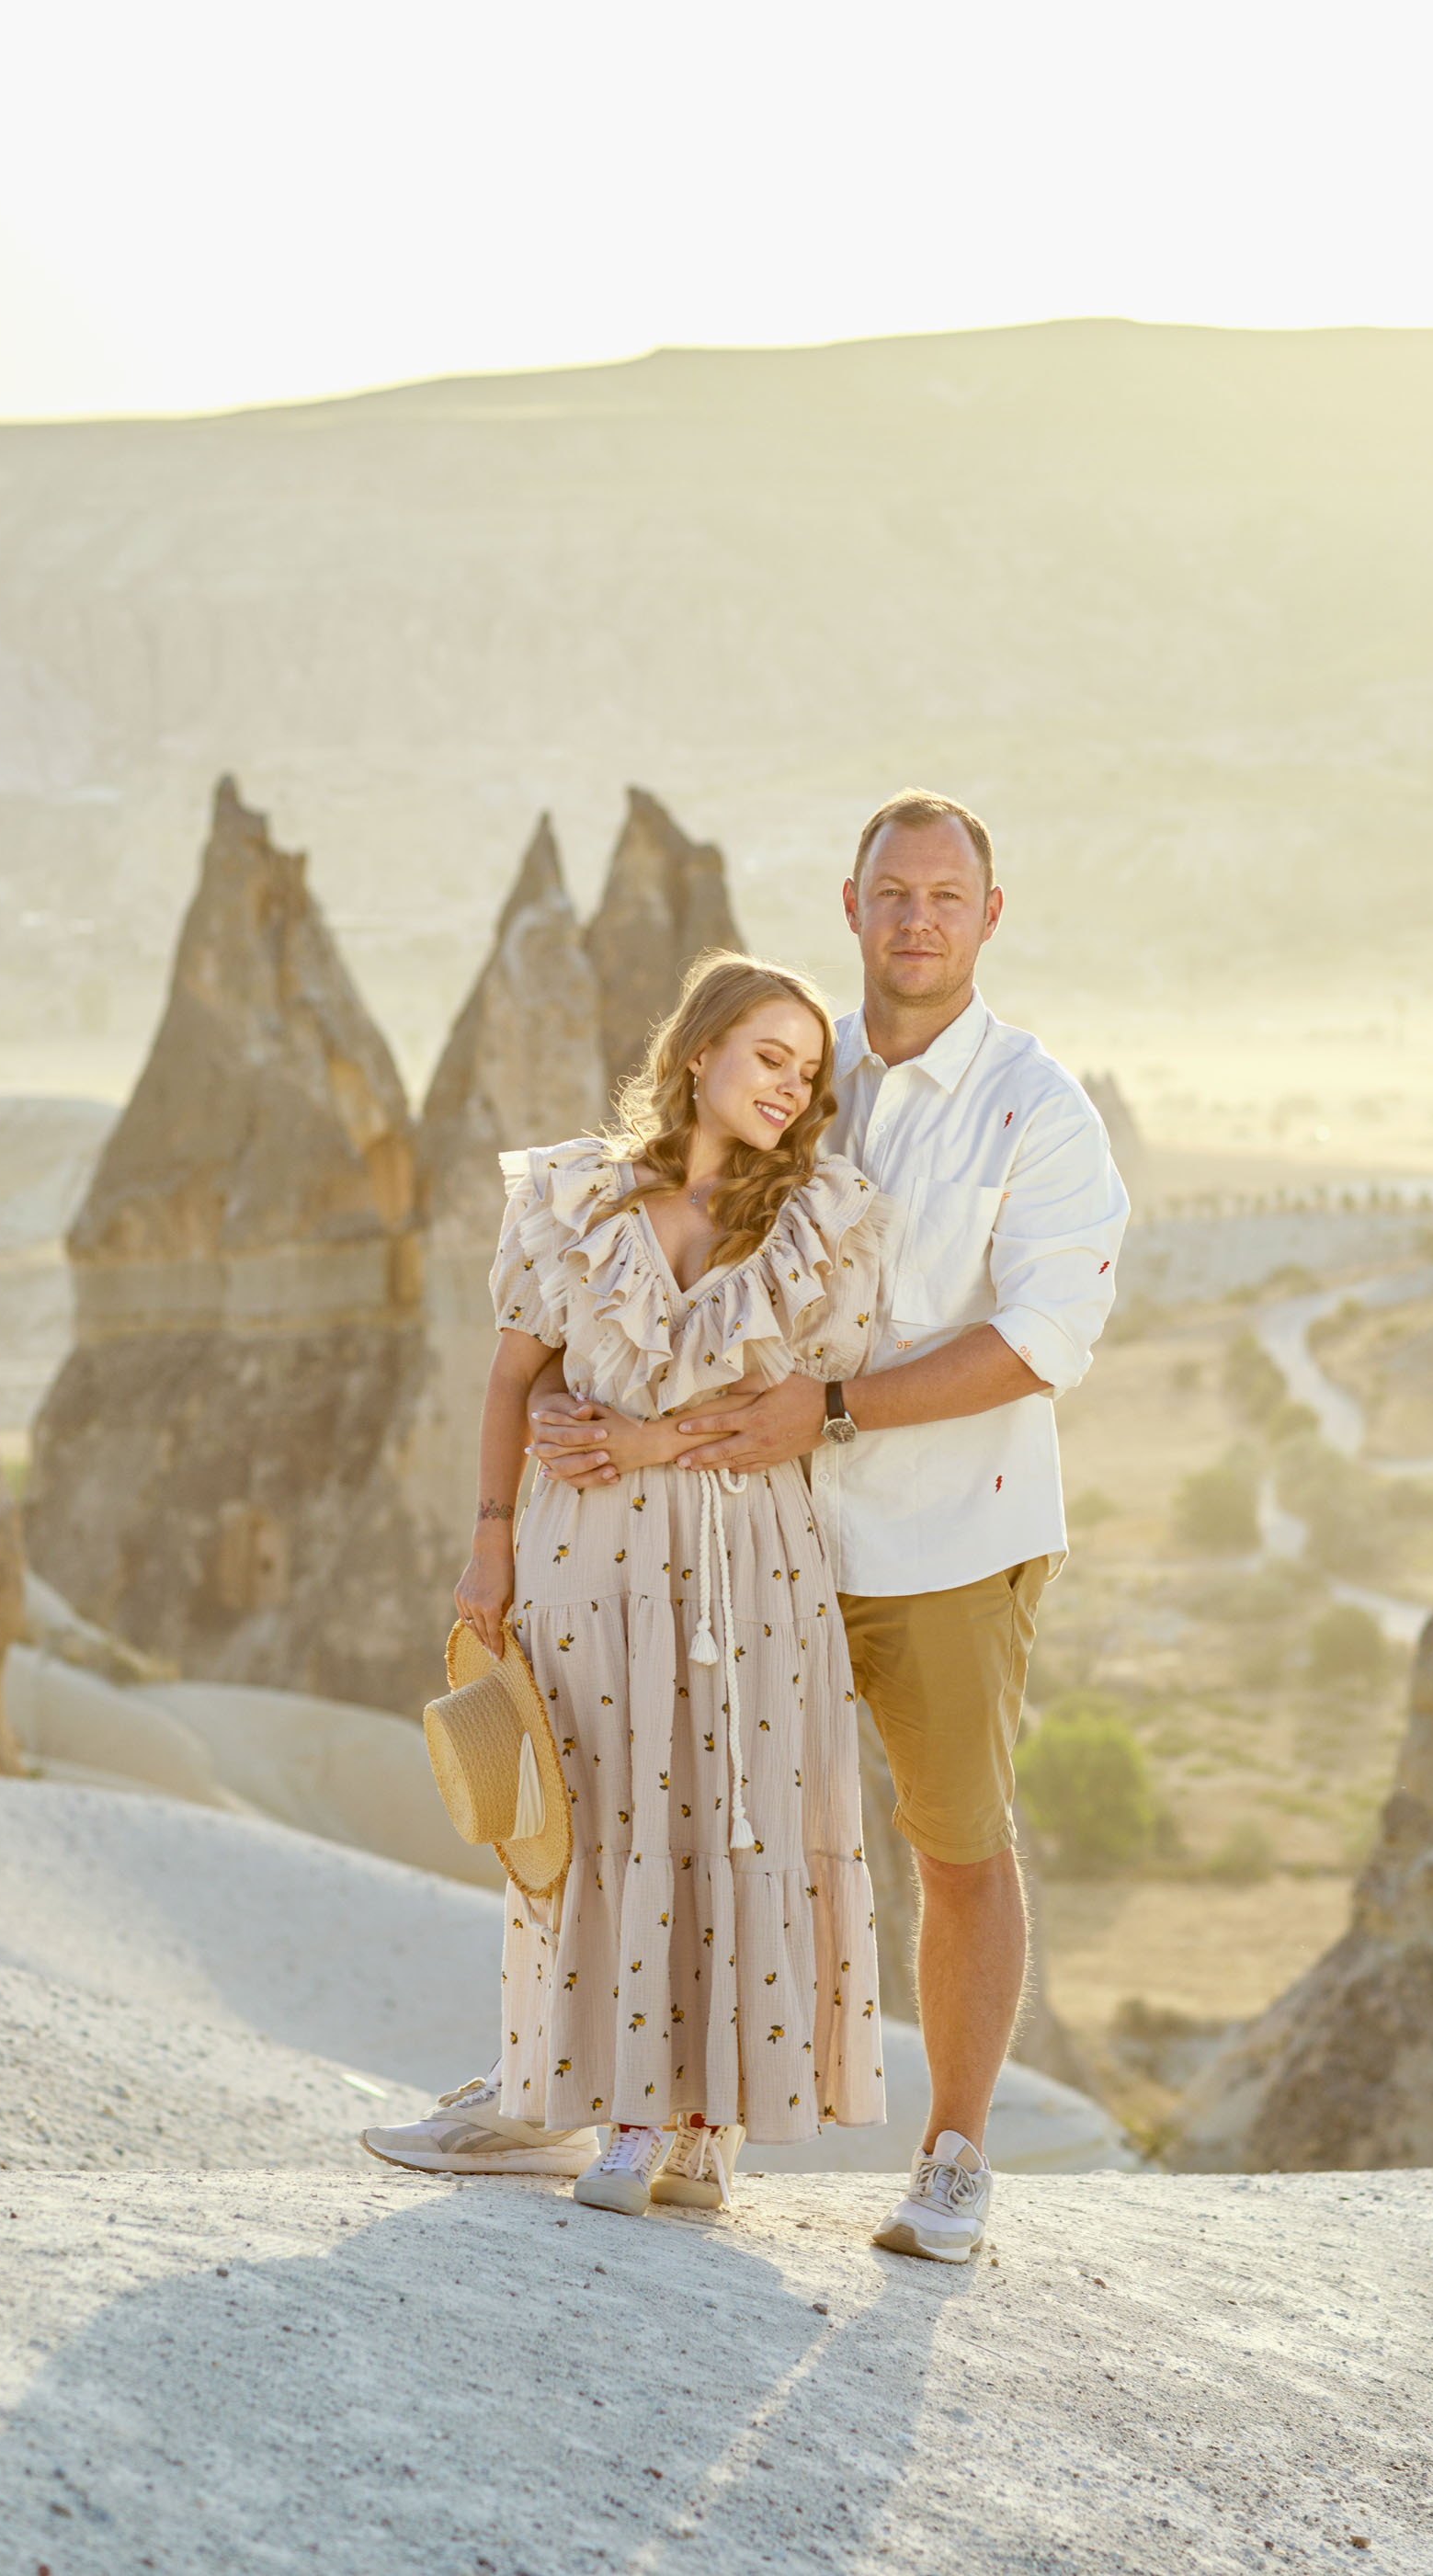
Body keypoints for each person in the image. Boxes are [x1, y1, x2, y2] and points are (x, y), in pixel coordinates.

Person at [531, 788, 1127, 2262]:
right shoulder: (801, 1069)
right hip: (754, 1528)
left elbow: (1049, 1337)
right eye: (892, 892)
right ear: (851, 907)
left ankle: (952, 2159)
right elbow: (661, 1233)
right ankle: (694, 2120)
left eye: (946, 896)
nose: (917, 919)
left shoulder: (1035, 1107)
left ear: (991, 917)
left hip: (949, 1540)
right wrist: (567, 1391)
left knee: (955, 1847)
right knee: (728, 1826)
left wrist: (842, 1407)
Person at [360, 952, 886, 2215]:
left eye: (808, 1072)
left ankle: (703, 2124)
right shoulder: (572, 1201)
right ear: (699, 1052)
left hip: (748, 1562)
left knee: (733, 1807)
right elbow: (508, 1382)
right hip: (581, 1561)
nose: (790, 1087)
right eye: (770, 1056)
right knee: (590, 1812)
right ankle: (604, 2101)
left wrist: (654, 1440)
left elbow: (789, 1408)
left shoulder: (823, 1217)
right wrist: (487, 1545)